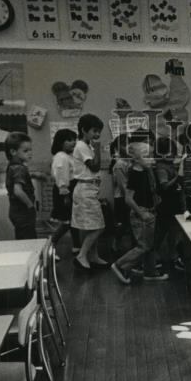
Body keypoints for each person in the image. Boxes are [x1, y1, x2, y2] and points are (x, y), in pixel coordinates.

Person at [110, 141, 169, 284]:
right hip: (141, 214)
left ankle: (150, 272)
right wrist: (142, 214)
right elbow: (128, 199)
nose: (152, 159)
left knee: (150, 244)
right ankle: (119, 265)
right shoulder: (135, 174)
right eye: (147, 156)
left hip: (149, 211)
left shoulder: (145, 171)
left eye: (151, 155)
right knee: (143, 246)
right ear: (136, 159)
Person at [71, 114, 107, 270]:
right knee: (99, 226)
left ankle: (93, 256)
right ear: (84, 130)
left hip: (89, 189)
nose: (97, 134)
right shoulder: (81, 146)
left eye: (99, 131)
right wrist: (98, 149)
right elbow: (94, 166)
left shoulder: (87, 145)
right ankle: (82, 255)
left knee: (91, 226)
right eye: (94, 130)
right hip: (85, 189)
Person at [153, 135, 186, 272]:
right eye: (170, 152)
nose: (173, 155)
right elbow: (164, 186)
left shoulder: (168, 164)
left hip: (172, 201)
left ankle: (171, 257)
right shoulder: (161, 167)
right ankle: (156, 257)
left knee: (171, 231)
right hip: (166, 203)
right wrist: (178, 178)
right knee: (163, 231)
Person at [3, 132, 39, 240]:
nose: (30, 153)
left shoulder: (12, 165)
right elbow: (18, 191)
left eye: (30, 150)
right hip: (23, 212)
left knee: (21, 237)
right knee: (30, 239)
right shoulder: (20, 168)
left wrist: (33, 174)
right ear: (13, 152)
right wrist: (30, 206)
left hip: (15, 211)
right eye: (25, 151)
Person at [49, 128, 77, 255]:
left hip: (69, 190)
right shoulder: (61, 157)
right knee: (66, 223)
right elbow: (61, 176)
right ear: (60, 142)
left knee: (73, 221)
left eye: (74, 139)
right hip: (64, 191)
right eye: (69, 140)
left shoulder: (67, 156)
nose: (73, 142)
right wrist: (65, 194)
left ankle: (77, 245)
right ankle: (50, 246)